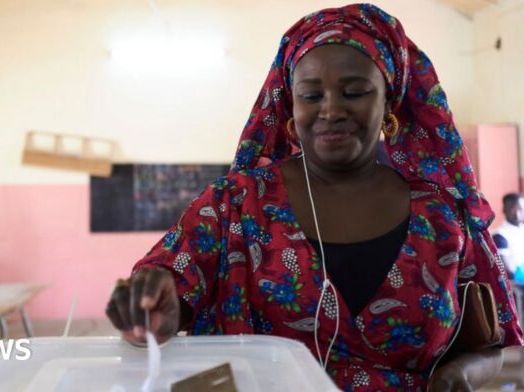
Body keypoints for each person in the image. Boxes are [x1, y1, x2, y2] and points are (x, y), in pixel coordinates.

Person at [105, 4, 523, 390]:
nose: (331, 110)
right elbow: (165, 291)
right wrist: (151, 306)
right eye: (311, 95)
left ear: (389, 98)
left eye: (355, 91)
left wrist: (462, 373)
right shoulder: (235, 206)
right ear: (291, 105)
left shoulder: (444, 217)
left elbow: (495, 343)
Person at [493, 193, 524, 278]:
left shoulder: (521, 229)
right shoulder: (500, 235)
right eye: (520, 209)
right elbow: (506, 270)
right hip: (516, 286)